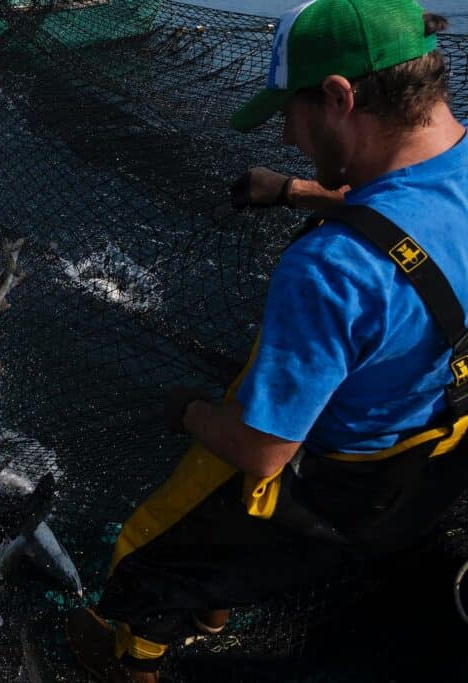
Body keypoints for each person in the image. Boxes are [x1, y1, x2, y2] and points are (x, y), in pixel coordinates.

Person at [65, 1, 468, 681]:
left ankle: (134, 657)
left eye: (291, 112)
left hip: (335, 495)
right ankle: (213, 610)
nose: (285, 135)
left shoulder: (331, 270)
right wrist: (297, 191)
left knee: (141, 557)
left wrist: (189, 410)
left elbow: (263, 447)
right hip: (436, 475)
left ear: (339, 97)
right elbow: (416, 230)